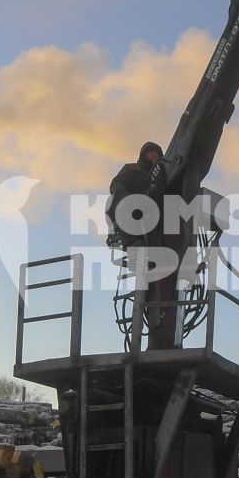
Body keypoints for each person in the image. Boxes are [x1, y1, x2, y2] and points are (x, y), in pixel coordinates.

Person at [108, 142, 173, 349]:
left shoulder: (160, 174)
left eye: (157, 153)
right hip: (128, 208)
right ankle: (135, 247)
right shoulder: (131, 169)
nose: (154, 155)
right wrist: (127, 197)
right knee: (129, 209)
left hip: (150, 217)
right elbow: (116, 185)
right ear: (143, 154)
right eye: (150, 152)